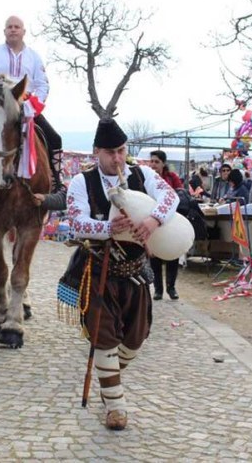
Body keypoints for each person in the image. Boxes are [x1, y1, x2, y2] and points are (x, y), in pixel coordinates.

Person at [67, 119, 179, 431]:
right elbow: (76, 222)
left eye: (121, 150)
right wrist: (106, 229)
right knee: (104, 338)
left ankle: (109, 379)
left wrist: (155, 220)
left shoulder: (144, 174)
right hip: (100, 271)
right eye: (109, 152)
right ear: (96, 152)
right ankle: (116, 406)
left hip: (136, 272)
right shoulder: (82, 182)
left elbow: (172, 198)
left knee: (135, 339)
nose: (117, 158)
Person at [0, 15, 65, 211]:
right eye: (9, 27)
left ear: (23, 31)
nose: (13, 30)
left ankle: (57, 185)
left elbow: (42, 84)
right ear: (4, 31)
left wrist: (31, 106)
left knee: (54, 139)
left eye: (17, 27)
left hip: (25, 107)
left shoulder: (34, 57)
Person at [148, 150, 183, 300]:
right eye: (152, 161)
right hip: (152, 221)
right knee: (154, 256)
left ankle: (171, 287)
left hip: (170, 221)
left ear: (163, 163)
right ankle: (158, 289)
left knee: (172, 254)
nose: (153, 164)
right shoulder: (146, 177)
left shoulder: (172, 177)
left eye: (157, 162)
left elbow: (180, 194)